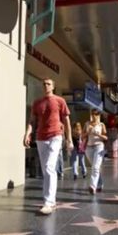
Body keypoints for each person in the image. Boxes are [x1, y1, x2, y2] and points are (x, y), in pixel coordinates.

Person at [24, 78, 72, 215]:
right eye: (44, 84)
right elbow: (32, 121)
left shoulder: (59, 101)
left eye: (48, 84)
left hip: (56, 136)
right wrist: (27, 134)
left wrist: (69, 139)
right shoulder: (37, 103)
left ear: (53, 86)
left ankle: (49, 202)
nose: (46, 86)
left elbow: (66, 120)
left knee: (50, 167)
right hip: (40, 138)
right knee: (46, 171)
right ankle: (52, 200)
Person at [82, 109, 107, 194]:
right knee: (95, 167)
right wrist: (88, 132)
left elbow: (106, 137)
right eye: (92, 114)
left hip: (99, 147)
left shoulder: (101, 125)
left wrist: (98, 134)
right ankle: (99, 184)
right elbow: (82, 136)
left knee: (95, 167)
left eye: (96, 114)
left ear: (99, 115)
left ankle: (93, 186)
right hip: (89, 147)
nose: (94, 116)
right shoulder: (87, 124)